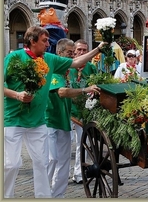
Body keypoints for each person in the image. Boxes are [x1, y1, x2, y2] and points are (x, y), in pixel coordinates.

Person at [3, 25, 106, 198]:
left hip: (38, 122)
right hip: (13, 119)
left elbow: (77, 62)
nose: (47, 44)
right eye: (44, 41)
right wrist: (17, 95)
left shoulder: (49, 59)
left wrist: (98, 48)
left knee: (42, 163)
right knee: (12, 164)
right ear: (32, 41)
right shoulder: (14, 57)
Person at [45, 38, 100, 197]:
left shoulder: (69, 71)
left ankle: (58, 196)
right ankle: (43, 195)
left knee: (63, 162)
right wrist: (85, 90)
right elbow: (62, 92)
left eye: (72, 54)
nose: (72, 57)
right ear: (59, 53)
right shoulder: (55, 70)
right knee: (51, 160)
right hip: (49, 120)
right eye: (70, 53)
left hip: (64, 121)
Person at [68, 39, 98, 184]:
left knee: (82, 143)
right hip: (67, 109)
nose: (81, 52)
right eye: (79, 50)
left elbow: (97, 85)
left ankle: (79, 174)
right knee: (65, 144)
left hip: (82, 111)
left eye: (84, 50)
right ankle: (59, 172)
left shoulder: (91, 68)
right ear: (74, 51)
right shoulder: (68, 67)